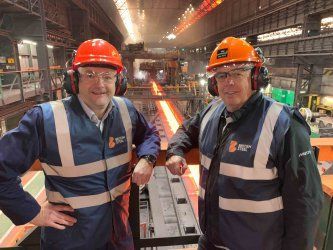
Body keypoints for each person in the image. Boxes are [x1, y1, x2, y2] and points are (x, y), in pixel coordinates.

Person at [0, 38, 160, 250]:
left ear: (118, 82)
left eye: (107, 76)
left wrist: (148, 159)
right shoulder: (45, 119)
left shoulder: (125, 110)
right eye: (90, 75)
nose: (100, 84)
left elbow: (149, 135)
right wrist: (33, 212)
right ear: (74, 80)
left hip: (119, 238)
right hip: (70, 242)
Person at [166, 37, 323, 250]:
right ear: (214, 83)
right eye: (222, 75)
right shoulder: (212, 112)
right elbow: (186, 130)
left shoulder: (283, 124)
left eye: (238, 73)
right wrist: (176, 151)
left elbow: (306, 203)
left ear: (255, 77)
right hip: (210, 243)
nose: (229, 82)